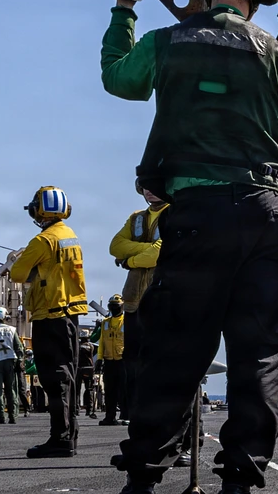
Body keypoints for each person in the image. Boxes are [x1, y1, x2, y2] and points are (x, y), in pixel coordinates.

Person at [102, 0, 278, 493]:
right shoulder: (276, 53)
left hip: (196, 217)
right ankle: (240, 481)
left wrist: (125, 6)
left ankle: (144, 479)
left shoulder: (166, 43)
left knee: (173, 353)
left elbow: (118, 78)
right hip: (267, 216)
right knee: (259, 356)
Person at [9, 185, 88, 458]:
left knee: (54, 380)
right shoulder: (70, 236)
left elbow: (17, 274)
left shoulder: (42, 241)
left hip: (49, 314)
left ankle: (60, 439)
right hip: (70, 316)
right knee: (68, 377)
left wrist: (34, 268)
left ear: (38, 211)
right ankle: (70, 436)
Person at [110, 182, 168, 417]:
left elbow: (159, 253)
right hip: (134, 301)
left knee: (160, 357)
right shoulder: (136, 218)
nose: (149, 190)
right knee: (132, 359)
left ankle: (157, 410)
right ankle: (133, 411)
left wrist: (129, 261)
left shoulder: (175, 214)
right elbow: (115, 246)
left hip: (161, 299)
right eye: (144, 186)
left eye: (154, 184)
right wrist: (147, 248)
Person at [97, 294, 126, 426]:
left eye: (116, 306)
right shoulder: (105, 323)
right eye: (111, 306)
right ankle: (110, 416)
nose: (114, 309)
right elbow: (102, 341)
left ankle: (126, 415)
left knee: (124, 390)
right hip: (109, 361)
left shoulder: (127, 321)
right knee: (109, 391)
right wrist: (99, 358)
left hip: (122, 360)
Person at [78, 329, 96, 418]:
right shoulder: (91, 346)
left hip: (78, 368)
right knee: (89, 389)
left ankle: (75, 409)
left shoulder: (77, 346)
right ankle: (89, 409)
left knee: (76, 389)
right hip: (88, 369)